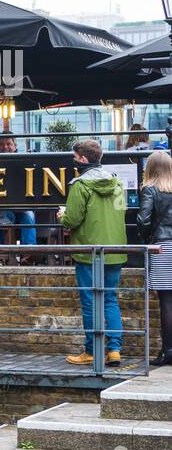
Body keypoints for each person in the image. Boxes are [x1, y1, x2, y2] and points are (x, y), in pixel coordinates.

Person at [59, 139, 127, 366]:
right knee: (110, 299)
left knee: (90, 301)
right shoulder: (117, 183)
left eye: (76, 158)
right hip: (115, 250)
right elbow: (121, 212)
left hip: (88, 251)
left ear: (84, 159)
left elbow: (73, 219)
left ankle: (92, 351)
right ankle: (115, 350)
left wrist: (62, 217)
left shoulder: (80, 185)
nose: (74, 161)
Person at [137, 150, 172, 365]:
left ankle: (168, 350)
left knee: (167, 301)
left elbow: (143, 219)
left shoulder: (150, 189)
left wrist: (147, 238)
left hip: (163, 247)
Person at [0, 136, 37, 246]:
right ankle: (2, 252)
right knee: (7, 216)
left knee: (29, 215)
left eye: (9, 144)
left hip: (21, 205)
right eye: (1, 144)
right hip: (3, 206)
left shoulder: (23, 160)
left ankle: (29, 251)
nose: (5, 147)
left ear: (15, 146)